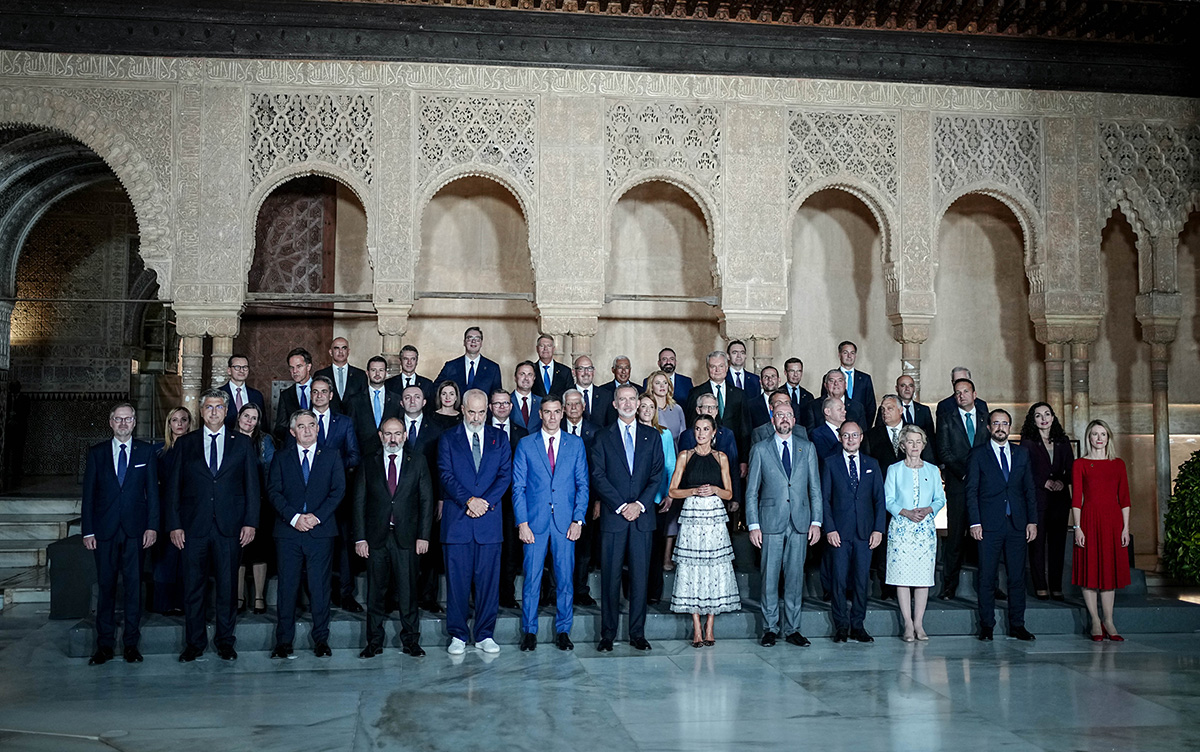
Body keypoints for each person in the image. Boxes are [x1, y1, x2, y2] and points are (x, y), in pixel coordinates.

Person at [166, 389, 260, 662]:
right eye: (209, 407)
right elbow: (174, 488)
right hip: (193, 527)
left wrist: (250, 522)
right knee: (193, 587)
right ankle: (194, 643)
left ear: (227, 410)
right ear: (201, 410)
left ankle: (225, 641)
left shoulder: (241, 444)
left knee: (228, 588)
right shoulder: (186, 443)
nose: (214, 412)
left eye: (219, 407)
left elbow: (252, 487)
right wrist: (174, 525)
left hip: (230, 527)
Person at [81, 403, 159, 665]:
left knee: (134, 588)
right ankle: (103, 646)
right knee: (106, 587)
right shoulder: (97, 453)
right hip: (104, 531)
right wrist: (88, 530)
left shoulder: (146, 452)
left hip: (136, 530)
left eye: (128, 419)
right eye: (118, 419)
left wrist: (152, 526)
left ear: (135, 422)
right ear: (111, 422)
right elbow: (88, 496)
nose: (123, 423)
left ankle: (130, 645)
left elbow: (153, 495)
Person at [590, 384, 665, 651]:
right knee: (610, 577)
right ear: (614, 404)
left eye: (632, 399)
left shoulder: (651, 436)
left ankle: (637, 633)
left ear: (638, 402)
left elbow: (657, 475)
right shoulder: (602, 437)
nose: (628, 403)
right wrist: (622, 505)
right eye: (623, 399)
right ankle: (607, 634)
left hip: (642, 519)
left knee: (640, 578)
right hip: (614, 517)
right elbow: (598, 476)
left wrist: (640, 505)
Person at [438, 389, 512, 655]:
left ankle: (484, 634)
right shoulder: (448, 438)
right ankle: (458, 634)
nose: (477, 417)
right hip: (458, 522)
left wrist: (485, 503)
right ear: (462, 409)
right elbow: (445, 475)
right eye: (472, 411)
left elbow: (505, 476)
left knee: (488, 583)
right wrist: (469, 501)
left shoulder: (500, 438)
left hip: (488, 523)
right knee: (457, 583)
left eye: (482, 412)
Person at [353, 417, 434, 658]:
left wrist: (424, 536)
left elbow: (426, 501)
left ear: (405, 435)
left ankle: (411, 641)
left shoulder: (418, 462)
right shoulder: (369, 462)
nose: (393, 439)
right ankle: (373, 642)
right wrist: (360, 538)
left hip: (407, 538)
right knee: (375, 593)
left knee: (408, 594)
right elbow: (358, 502)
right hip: (376, 538)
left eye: (397, 434)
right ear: (380, 436)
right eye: (388, 434)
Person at [266, 410, 345, 659]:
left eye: (312, 425)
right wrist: (294, 518)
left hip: (320, 531)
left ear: (318, 429)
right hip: (289, 533)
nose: (308, 430)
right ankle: (283, 642)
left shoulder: (331, 456)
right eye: (302, 426)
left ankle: (321, 640)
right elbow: (274, 492)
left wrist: (316, 517)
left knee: (320, 588)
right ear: (293, 432)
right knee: (287, 588)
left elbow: (338, 490)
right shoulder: (281, 457)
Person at [513, 395, 589, 651]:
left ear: (564, 413)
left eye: (557, 411)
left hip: (566, 523)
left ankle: (564, 630)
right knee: (532, 579)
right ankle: (529, 631)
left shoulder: (576, 444)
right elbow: (518, 487)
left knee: (565, 580)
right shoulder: (526, 444)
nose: (553, 417)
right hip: (534, 523)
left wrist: (578, 519)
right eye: (548, 412)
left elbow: (582, 485)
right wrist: (522, 523)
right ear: (540, 414)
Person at [745, 404, 822, 647]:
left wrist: (816, 522)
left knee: (795, 577)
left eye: (788, 415)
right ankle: (769, 628)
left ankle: (792, 629)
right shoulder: (760, 449)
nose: (784, 419)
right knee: (769, 577)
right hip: (769, 522)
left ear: (794, 419)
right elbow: (751, 492)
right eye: (780, 415)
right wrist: (753, 524)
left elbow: (814, 489)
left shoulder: (807, 447)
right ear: (773, 419)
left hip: (799, 522)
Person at [667, 414, 739, 647]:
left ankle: (710, 626)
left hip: (715, 517)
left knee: (714, 569)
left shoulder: (721, 457)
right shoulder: (685, 456)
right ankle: (697, 628)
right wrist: (694, 491)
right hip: (692, 517)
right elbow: (672, 491)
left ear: (714, 432)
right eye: (697, 429)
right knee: (692, 569)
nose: (701, 433)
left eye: (705, 429)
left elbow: (729, 493)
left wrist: (716, 489)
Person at [967, 409, 1038, 642]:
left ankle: (1018, 625)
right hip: (988, 525)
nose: (1000, 427)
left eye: (1004, 423)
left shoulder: (1022, 453)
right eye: (996, 423)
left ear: (1010, 427)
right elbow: (972, 491)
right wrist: (975, 521)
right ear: (989, 427)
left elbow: (1029, 490)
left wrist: (1032, 521)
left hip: (1017, 524)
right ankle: (986, 626)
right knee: (986, 578)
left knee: (1017, 578)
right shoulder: (978, 454)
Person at [822, 421, 885, 643]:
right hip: (839, 532)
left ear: (861, 438)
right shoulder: (830, 464)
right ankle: (841, 625)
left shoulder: (872, 464)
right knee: (838, 581)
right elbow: (825, 500)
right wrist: (829, 528)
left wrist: (878, 529)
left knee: (861, 581)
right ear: (840, 438)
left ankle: (858, 624)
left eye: (854, 435)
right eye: (846, 435)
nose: (850, 439)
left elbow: (879, 499)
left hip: (865, 533)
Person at [883, 425, 946, 642]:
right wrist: (906, 512)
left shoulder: (932, 470)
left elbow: (940, 498)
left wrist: (929, 509)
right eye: (910, 442)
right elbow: (888, 499)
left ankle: (919, 623)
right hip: (901, 528)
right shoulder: (894, 469)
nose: (914, 446)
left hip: (925, 530)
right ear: (902, 445)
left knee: (922, 578)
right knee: (902, 577)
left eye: (918, 442)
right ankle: (907, 624)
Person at [307, 375, 363, 613]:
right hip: (308, 494)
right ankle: (314, 595)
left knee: (343, 545)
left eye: (323, 392)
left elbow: (354, 455)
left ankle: (345, 594)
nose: (319, 396)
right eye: (315, 392)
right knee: (312, 545)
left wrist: (332, 467)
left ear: (331, 395)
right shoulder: (303, 420)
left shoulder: (344, 422)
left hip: (339, 494)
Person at [1072, 419, 1132, 641]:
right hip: (1088, 520)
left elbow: (1125, 498)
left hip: (1113, 522)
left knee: (1108, 573)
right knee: (1090, 573)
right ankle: (1095, 622)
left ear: (1108, 438)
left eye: (1103, 434)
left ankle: (1109, 620)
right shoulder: (1080, 464)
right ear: (1089, 438)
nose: (1099, 438)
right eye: (1095, 434)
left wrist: (1126, 528)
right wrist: (1078, 528)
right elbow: (1076, 499)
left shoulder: (1118, 464)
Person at [935, 377, 989, 600]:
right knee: (955, 537)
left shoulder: (987, 418)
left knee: (985, 538)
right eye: (957, 392)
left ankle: (990, 584)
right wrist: (965, 474)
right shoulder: (947, 419)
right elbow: (944, 452)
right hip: (958, 484)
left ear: (974, 394)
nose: (961, 395)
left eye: (965, 391)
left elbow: (990, 449)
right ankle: (949, 586)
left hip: (984, 487)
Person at [1020, 402, 1074, 601]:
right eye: (1038, 415)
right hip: (1037, 498)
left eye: (1047, 414)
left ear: (1053, 417)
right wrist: (1045, 482)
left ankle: (1056, 586)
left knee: (1058, 544)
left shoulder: (1063, 441)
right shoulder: (1028, 442)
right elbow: (1024, 471)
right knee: (1038, 543)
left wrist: (1061, 481)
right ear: (1032, 420)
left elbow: (1071, 469)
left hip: (1060, 499)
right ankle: (1040, 586)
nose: (1043, 418)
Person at [401, 385, 447, 615]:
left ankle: (428, 596)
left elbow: (441, 468)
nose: (412, 400)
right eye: (407, 397)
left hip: (427, 497)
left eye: (416, 397)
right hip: (398, 499)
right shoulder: (393, 428)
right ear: (401, 402)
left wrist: (440, 498)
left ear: (425, 402)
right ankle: (399, 597)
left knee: (429, 548)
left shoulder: (436, 429)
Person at [488, 387, 528, 609]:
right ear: (490, 407)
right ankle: (485, 594)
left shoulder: (522, 433)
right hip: (487, 500)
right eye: (497, 403)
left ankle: (507, 594)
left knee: (511, 551)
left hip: (514, 501)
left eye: (505, 403)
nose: (502, 407)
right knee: (488, 550)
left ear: (511, 407)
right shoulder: (482, 430)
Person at [234, 402, 275, 616]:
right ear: (239, 417)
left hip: (261, 502)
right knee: (239, 552)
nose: (249, 421)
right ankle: (239, 596)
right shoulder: (229, 439)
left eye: (254, 417)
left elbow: (271, 473)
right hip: (234, 504)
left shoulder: (265, 441)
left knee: (259, 551)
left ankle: (259, 596)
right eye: (246, 416)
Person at [562, 388, 602, 606]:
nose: (574, 407)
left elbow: (598, 469)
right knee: (558, 546)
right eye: (569, 404)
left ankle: (580, 590)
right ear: (564, 408)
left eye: (578, 403)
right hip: (559, 499)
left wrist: (596, 500)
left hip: (586, 499)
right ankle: (555, 590)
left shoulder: (596, 432)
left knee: (584, 547)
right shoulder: (554, 429)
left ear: (584, 407)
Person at [151, 406, 191, 615]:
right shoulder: (158, 452)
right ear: (169, 424)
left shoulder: (195, 449)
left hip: (189, 510)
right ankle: (164, 603)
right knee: (166, 557)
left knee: (185, 557)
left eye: (183, 419)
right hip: (165, 510)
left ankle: (183, 602)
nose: (179, 424)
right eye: (175, 420)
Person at [639, 394, 678, 605]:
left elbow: (671, 466)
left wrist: (670, 494)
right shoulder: (631, 432)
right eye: (643, 406)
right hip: (634, 500)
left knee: (655, 548)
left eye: (650, 406)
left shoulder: (664, 434)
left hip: (658, 499)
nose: (646, 410)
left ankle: (654, 592)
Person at [685, 351, 750, 467]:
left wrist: (744, 460)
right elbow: (691, 425)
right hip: (703, 457)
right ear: (707, 368)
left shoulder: (739, 394)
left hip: (732, 455)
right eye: (713, 366)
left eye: (721, 366)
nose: (717, 370)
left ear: (727, 367)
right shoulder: (696, 393)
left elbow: (744, 429)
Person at [346, 356, 403, 454]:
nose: (377, 374)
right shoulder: (355, 400)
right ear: (367, 373)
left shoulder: (396, 399)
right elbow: (351, 431)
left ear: (386, 373)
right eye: (373, 370)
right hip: (363, 454)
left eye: (381, 370)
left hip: (390, 453)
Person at [821, 341, 876, 429]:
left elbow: (871, 406)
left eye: (852, 353)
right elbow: (825, 402)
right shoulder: (829, 377)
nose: (849, 356)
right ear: (839, 355)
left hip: (858, 427)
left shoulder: (865, 378)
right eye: (845, 353)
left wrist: (864, 428)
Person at [435, 326, 503, 398]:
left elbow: (497, 396)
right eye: (469, 338)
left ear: (481, 343)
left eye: (477, 339)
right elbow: (436, 388)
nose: (473, 341)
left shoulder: (493, 368)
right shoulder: (450, 366)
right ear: (464, 342)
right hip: (456, 409)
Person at [273, 347, 315, 443]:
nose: (294, 371)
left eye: (299, 366)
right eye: (291, 367)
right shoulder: (286, 395)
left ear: (308, 367)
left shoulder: (321, 389)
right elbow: (280, 427)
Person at [315, 336, 367, 413]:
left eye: (344, 348)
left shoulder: (360, 375)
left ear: (348, 351)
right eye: (336, 348)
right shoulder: (321, 374)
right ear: (330, 352)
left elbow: (364, 402)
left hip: (354, 421)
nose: (340, 351)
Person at [808, 369, 866, 433]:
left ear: (845, 385)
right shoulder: (813, 406)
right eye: (831, 381)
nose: (836, 384)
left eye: (840, 381)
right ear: (826, 385)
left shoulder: (857, 407)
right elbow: (810, 433)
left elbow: (863, 434)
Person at [218, 355, 265, 430]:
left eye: (245, 367)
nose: (241, 370)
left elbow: (262, 423)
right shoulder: (218, 394)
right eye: (237, 367)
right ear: (229, 370)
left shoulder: (256, 395)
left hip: (250, 440)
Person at [646, 369, 686, 440]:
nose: (662, 386)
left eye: (665, 382)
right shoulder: (648, 410)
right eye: (657, 383)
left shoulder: (677, 409)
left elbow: (683, 437)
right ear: (651, 387)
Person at [595, 355, 635, 426]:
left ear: (630, 370)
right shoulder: (602, 390)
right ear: (613, 370)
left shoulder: (639, 390)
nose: (623, 371)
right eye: (620, 368)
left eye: (626, 368)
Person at [894, 374, 935, 443]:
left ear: (914, 388)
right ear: (896, 388)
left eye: (910, 385)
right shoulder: (889, 410)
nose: (907, 389)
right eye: (903, 385)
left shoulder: (924, 410)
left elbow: (931, 437)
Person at [510, 361, 543, 433]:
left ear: (534, 378)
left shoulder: (541, 402)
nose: (526, 378)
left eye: (530, 375)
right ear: (515, 377)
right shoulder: (507, 401)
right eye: (522, 374)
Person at [782, 358, 814, 425]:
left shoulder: (808, 396)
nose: (795, 375)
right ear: (785, 372)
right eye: (792, 371)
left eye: (799, 371)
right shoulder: (778, 394)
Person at [572, 355, 601, 423]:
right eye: (581, 369)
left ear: (593, 372)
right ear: (574, 372)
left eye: (589, 368)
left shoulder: (606, 395)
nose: (586, 373)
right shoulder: (565, 394)